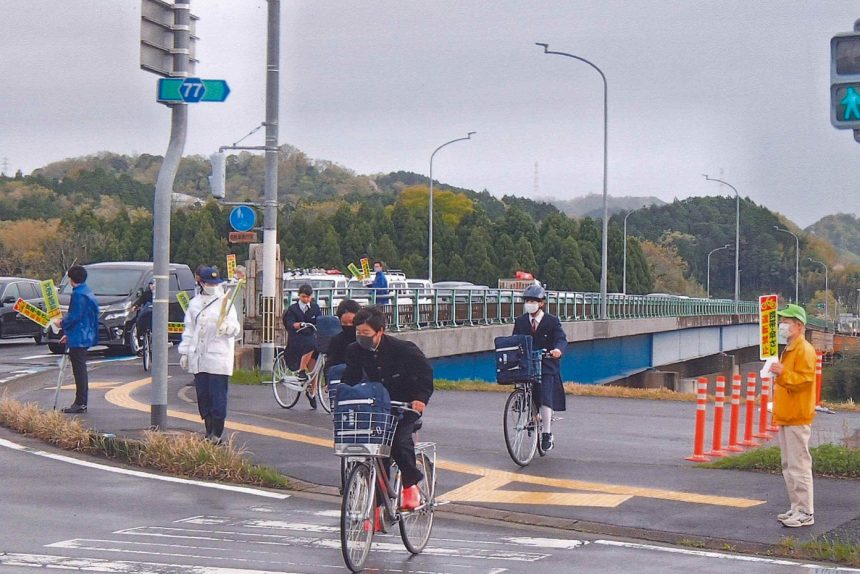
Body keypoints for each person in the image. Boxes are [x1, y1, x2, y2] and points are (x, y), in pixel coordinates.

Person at [341, 306, 433, 510]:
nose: (360, 337)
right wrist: (342, 394)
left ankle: (410, 486)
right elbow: (351, 378)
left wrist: (420, 399)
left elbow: (425, 374)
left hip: (404, 406)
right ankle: (377, 507)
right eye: (358, 332)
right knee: (374, 450)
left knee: (398, 443)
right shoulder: (355, 350)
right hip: (377, 406)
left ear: (380, 331)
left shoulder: (404, 349)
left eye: (365, 333)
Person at [177, 266, 242, 443]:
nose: (211, 286)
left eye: (214, 283)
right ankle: (208, 431)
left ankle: (218, 433)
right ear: (201, 283)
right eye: (208, 283)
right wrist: (184, 352)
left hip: (219, 358)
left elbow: (236, 327)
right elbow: (189, 330)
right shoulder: (194, 303)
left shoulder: (225, 302)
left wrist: (226, 328)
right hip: (199, 357)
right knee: (203, 396)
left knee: (217, 396)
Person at [769, 303, 818, 528]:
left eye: (786, 322)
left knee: (798, 465)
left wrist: (782, 373)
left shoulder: (804, 349)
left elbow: (804, 380)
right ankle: (796, 507)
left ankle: (806, 512)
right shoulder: (790, 348)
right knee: (789, 464)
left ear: (799, 325)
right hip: (788, 414)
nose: (782, 326)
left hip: (797, 415)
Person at [512, 284, 567, 452]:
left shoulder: (551, 321)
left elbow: (561, 338)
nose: (530, 303)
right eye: (527, 300)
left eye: (533, 301)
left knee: (544, 394)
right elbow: (515, 340)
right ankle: (531, 414)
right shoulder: (521, 321)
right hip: (528, 363)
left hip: (547, 362)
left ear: (541, 303)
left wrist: (557, 350)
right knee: (523, 386)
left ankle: (547, 434)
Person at [56, 265, 99, 414]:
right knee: (80, 369)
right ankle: (80, 402)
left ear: (71, 279)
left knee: (79, 370)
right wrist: (68, 334)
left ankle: (80, 403)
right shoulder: (87, 292)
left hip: (80, 336)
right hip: (83, 333)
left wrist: (62, 323)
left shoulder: (78, 295)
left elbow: (75, 316)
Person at [282, 283, 322, 408]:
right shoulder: (293, 309)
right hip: (297, 337)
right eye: (303, 297)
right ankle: (301, 369)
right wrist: (297, 324)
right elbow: (289, 323)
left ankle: (312, 391)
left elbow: (319, 320)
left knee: (315, 363)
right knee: (310, 345)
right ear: (299, 296)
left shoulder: (315, 308)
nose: (306, 299)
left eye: (308, 297)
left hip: (310, 335)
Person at [325, 298, 360, 370]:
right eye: (344, 323)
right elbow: (329, 366)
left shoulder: (365, 340)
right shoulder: (336, 341)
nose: (348, 325)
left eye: (352, 322)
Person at [132, 278, 155, 350]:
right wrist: (135, 306)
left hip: (155, 313)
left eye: (153, 284)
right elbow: (140, 301)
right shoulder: (146, 293)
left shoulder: (161, 294)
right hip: (147, 312)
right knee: (139, 320)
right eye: (151, 284)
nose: (152, 286)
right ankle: (141, 338)